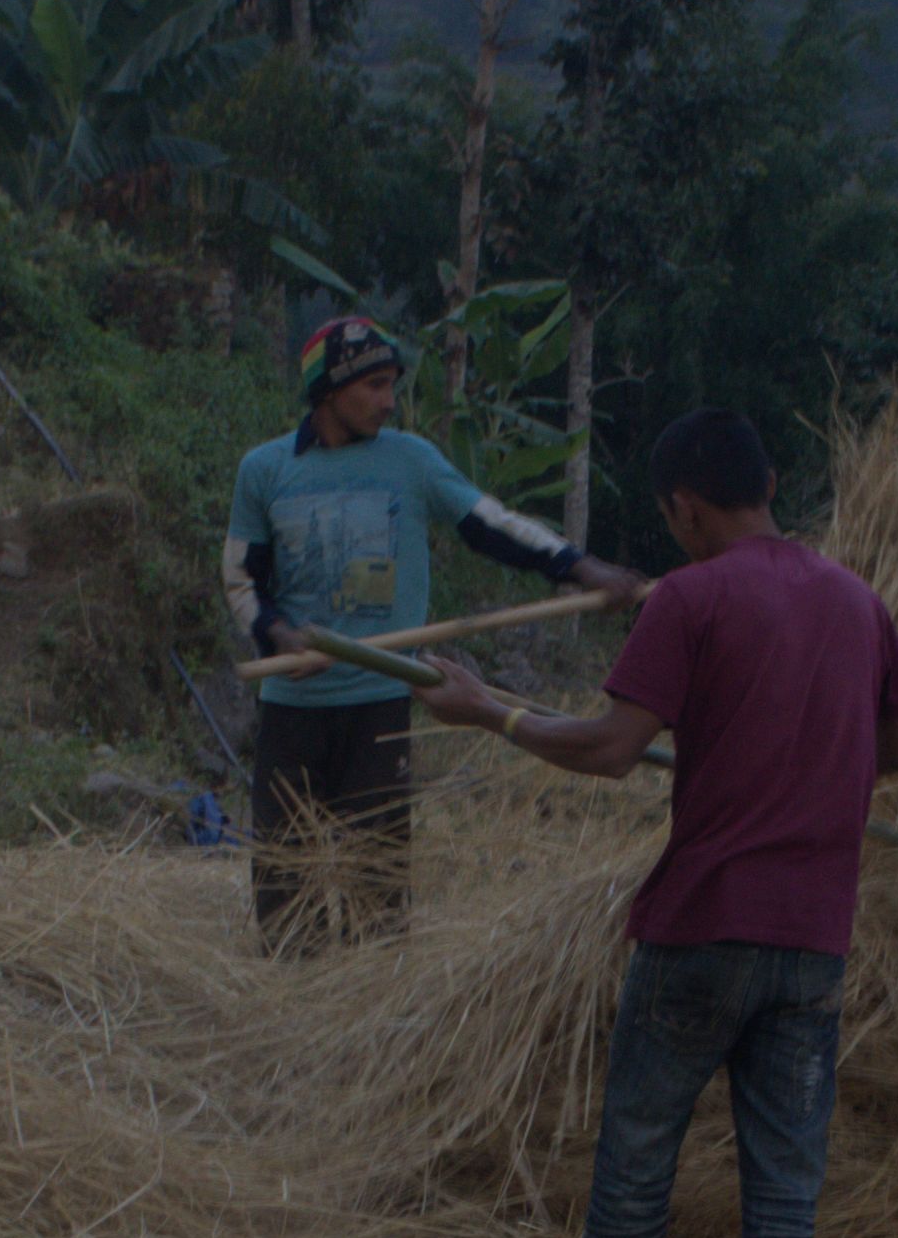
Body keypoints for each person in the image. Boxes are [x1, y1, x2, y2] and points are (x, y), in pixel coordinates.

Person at [413, 407, 898, 1238]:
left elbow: (607, 747)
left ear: (684, 506)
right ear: (768, 478)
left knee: (641, 1142)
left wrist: (490, 710)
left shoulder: (691, 597)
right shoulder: (858, 602)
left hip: (700, 927)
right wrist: (809, 752)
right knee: (785, 1176)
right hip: (814, 937)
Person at [220, 315, 635, 948]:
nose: (390, 401)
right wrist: (277, 635)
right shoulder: (265, 470)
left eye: (393, 384)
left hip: (382, 704)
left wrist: (580, 568)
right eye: (376, 385)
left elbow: (491, 523)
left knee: (377, 900)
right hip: (292, 713)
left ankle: (372, 1020)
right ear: (330, 389)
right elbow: (242, 581)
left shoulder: (411, 462)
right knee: (285, 896)